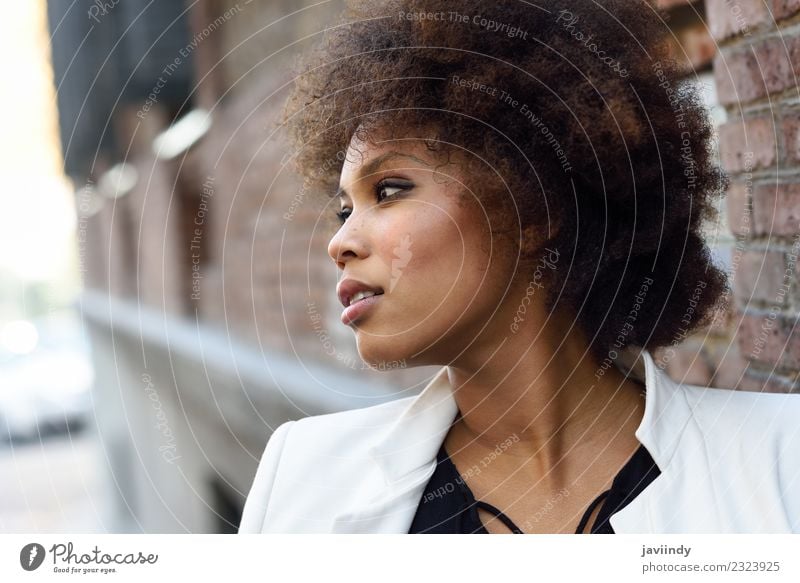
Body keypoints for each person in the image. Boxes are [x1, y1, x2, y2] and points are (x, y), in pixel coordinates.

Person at [238, 0, 800, 534]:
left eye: (389, 189)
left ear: (535, 206)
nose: (340, 241)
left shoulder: (776, 462)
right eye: (343, 209)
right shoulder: (300, 480)